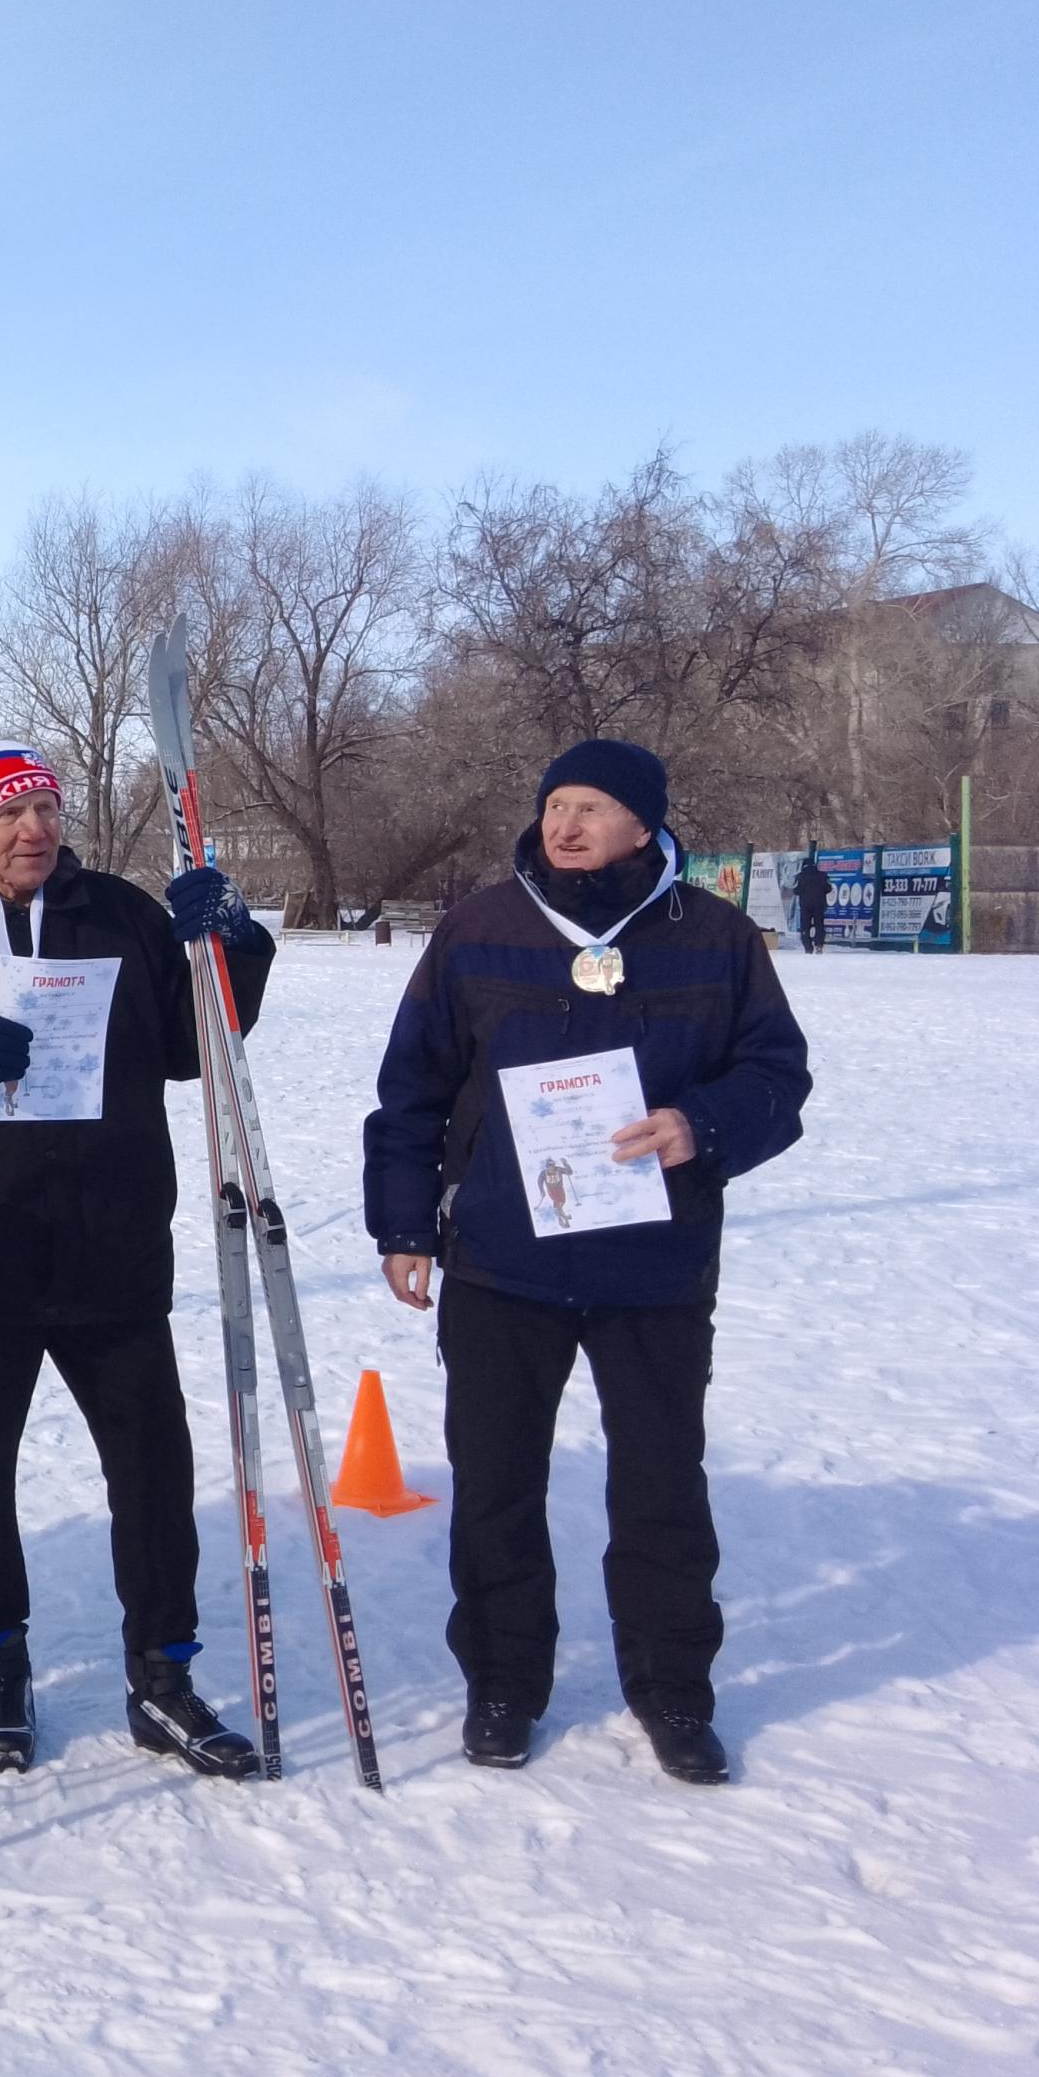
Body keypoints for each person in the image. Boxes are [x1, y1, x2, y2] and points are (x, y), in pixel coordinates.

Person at [365, 739, 810, 1785]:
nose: (563, 826)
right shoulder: (479, 928)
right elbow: (413, 1087)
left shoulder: (713, 937)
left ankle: (672, 1690)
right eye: (554, 804)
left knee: (660, 1487)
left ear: (644, 824)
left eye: (591, 808)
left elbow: (777, 1075)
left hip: (653, 1266)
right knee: (495, 1484)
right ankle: (502, 1682)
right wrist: (403, 1226)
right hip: (500, 1260)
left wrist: (699, 1124)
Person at [0, 741, 272, 1780]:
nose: (32, 829)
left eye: (44, 808)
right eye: (8, 814)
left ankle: (163, 1672)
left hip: (109, 1245)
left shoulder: (118, 915)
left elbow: (195, 1044)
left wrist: (234, 941)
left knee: (152, 1469)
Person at [795, 849, 831, 954]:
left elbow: (796, 890)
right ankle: (819, 945)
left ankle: (808, 947)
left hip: (805, 905)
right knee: (819, 925)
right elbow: (828, 888)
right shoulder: (822, 875)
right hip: (819, 904)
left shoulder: (800, 876)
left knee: (805, 926)